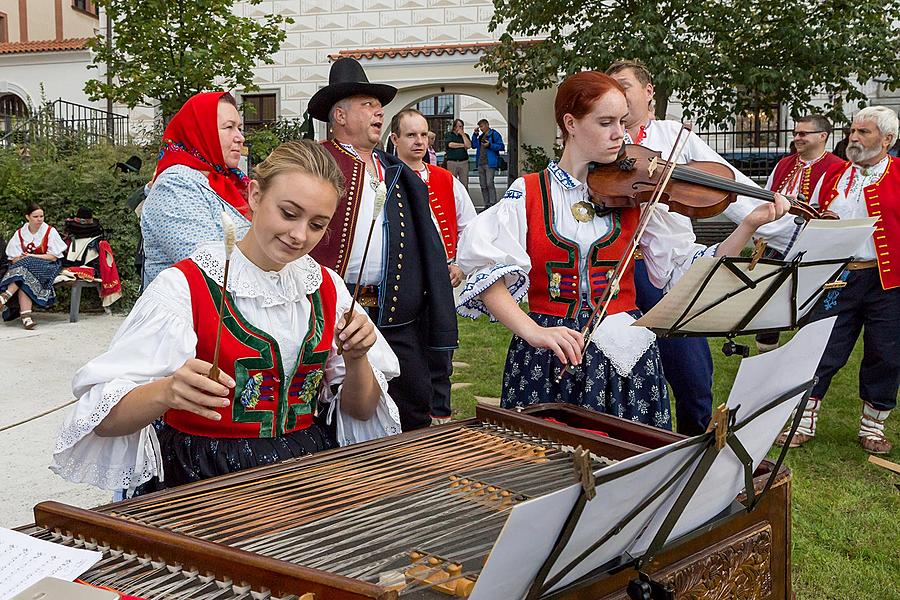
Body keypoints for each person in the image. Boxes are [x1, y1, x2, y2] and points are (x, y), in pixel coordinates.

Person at [51, 141, 401, 495]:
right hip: (205, 475)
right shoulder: (185, 287)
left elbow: (361, 410)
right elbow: (104, 421)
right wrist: (166, 392)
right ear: (254, 194)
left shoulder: (328, 288)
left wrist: (357, 359)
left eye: (317, 224)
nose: (299, 235)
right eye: (289, 213)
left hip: (304, 471)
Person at [456, 71, 790, 428]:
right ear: (571, 123)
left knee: (625, 465)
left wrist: (747, 225)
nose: (620, 133)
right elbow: (484, 271)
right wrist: (533, 331)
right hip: (547, 356)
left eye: (621, 121)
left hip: (625, 357)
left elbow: (686, 269)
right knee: (543, 467)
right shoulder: (530, 193)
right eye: (605, 122)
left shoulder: (638, 197)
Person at [306, 57, 458, 431]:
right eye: (368, 106)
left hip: (397, 320)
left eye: (379, 107)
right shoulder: (315, 165)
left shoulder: (397, 173)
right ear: (339, 116)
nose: (379, 113)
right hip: (335, 317)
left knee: (410, 413)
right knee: (335, 413)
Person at [777, 106, 899, 455]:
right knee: (821, 346)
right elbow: (813, 217)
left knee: (885, 354)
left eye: (864, 132)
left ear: (887, 140)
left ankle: (872, 427)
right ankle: (802, 421)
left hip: (887, 282)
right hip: (841, 276)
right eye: (853, 131)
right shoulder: (835, 176)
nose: (854, 138)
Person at [390, 108, 478, 424]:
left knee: (441, 350)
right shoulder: (387, 179)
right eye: (411, 135)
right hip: (402, 282)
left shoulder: (445, 180)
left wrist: (461, 265)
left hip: (441, 277)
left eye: (424, 134)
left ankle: (440, 414)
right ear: (394, 138)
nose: (419, 141)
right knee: (407, 353)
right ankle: (407, 416)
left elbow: (470, 226)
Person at [140, 92, 252, 288]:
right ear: (200, 131)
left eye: (239, 128)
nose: (240, 138)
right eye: (229, 127)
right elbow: (206, 268)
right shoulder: (175, 186)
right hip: (189, 314)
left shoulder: (230, 182)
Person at [754, 114, 844, 352]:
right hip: (774, 244)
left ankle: (804, 360)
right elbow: (765, 197)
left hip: (812, 247)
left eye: (803, 133)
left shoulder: (837, 167)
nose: (797, 138)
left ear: (822, 136)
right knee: (766, 301)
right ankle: (766, 354)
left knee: (809, 304)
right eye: (795, 133)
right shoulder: (784, 164)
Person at [0, 203, 67, 330]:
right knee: (24, 274)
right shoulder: (20, 234)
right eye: (36, 216)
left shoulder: (49, 231)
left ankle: (5, 295)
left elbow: (53, 257)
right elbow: (13, 258)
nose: (40, 219)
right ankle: (26, 317)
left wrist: (31, 256)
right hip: (24, 268)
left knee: (25, 268)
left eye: (41, 216)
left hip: (48, 265)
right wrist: (21, 258)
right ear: (27, 217)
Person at [472, 119, 505, 209]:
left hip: (490, 163)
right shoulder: (481, 136)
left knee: (489, 183)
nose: (481, 129)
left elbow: (501, 146)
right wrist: (475, 135)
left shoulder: (494, 134)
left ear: (487, 125)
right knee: (483, 185)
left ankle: (493, 204)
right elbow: (474, 145)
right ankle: (486, 205)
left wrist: (490, 145)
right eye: (480, 127)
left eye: (482, 126)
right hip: (480, 163)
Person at [445, 118, 472, 187]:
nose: (461, 128)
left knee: (464, 184)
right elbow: (450, 145)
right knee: (452, 183)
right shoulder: (449, 135)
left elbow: (468, 145)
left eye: (462, 126)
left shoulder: (465, 136)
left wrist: (463, 135)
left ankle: (464, 197)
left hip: (463, 162)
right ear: (454, 127)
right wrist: (463, 145)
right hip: (452, 162)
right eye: (459, 126)